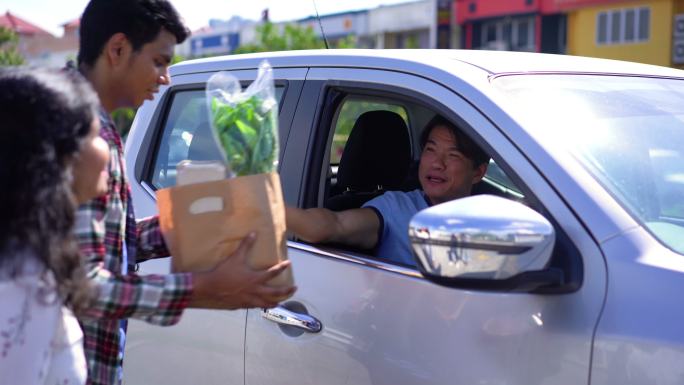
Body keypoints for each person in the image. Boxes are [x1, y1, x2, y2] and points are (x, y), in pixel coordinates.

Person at [73, 1, 296, 384]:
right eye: (159, 62)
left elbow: (108, 245)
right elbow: (82, 287)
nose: (165, 79)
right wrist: (200, 290)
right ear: (118, 49)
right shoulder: (74, 132)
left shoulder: (101, 129)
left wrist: (192, 225)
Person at [0, 68, 109, 385]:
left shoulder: (27, 254)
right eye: (96, 136)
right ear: (59, 158)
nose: (108, 149)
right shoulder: (22, 281)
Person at [287, 115, 490, 266]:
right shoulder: (396, 208)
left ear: (478, 172)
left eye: (453, 155)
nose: (437, 163)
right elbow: (334, 225)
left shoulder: (494, 216)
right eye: (430, 150)